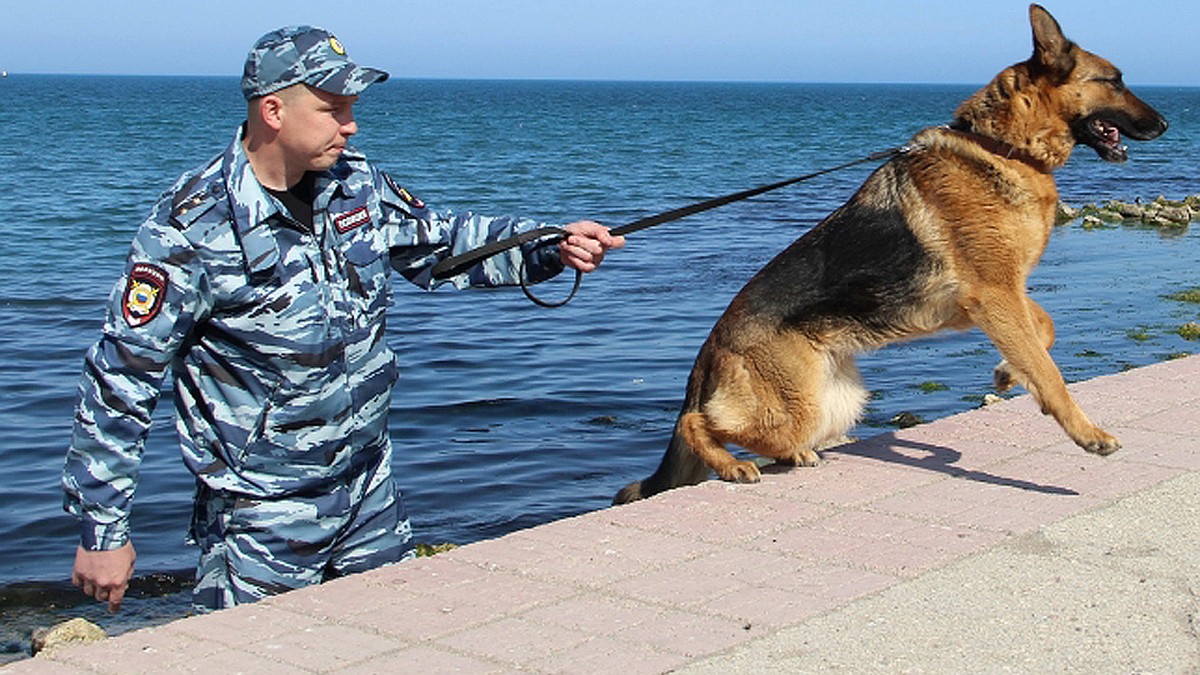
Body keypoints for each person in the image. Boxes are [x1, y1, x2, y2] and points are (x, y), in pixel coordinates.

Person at [63, 25, 624, 614]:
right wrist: (104, 531)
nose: (350, 125)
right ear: (273, 110)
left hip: (368, 489)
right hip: (262, 514)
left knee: (388, 640)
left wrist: (548, 245)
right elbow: (121, 379)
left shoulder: (354, 183)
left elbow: (442, 246)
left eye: (352, 108)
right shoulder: (191, 229)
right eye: (333, 109)